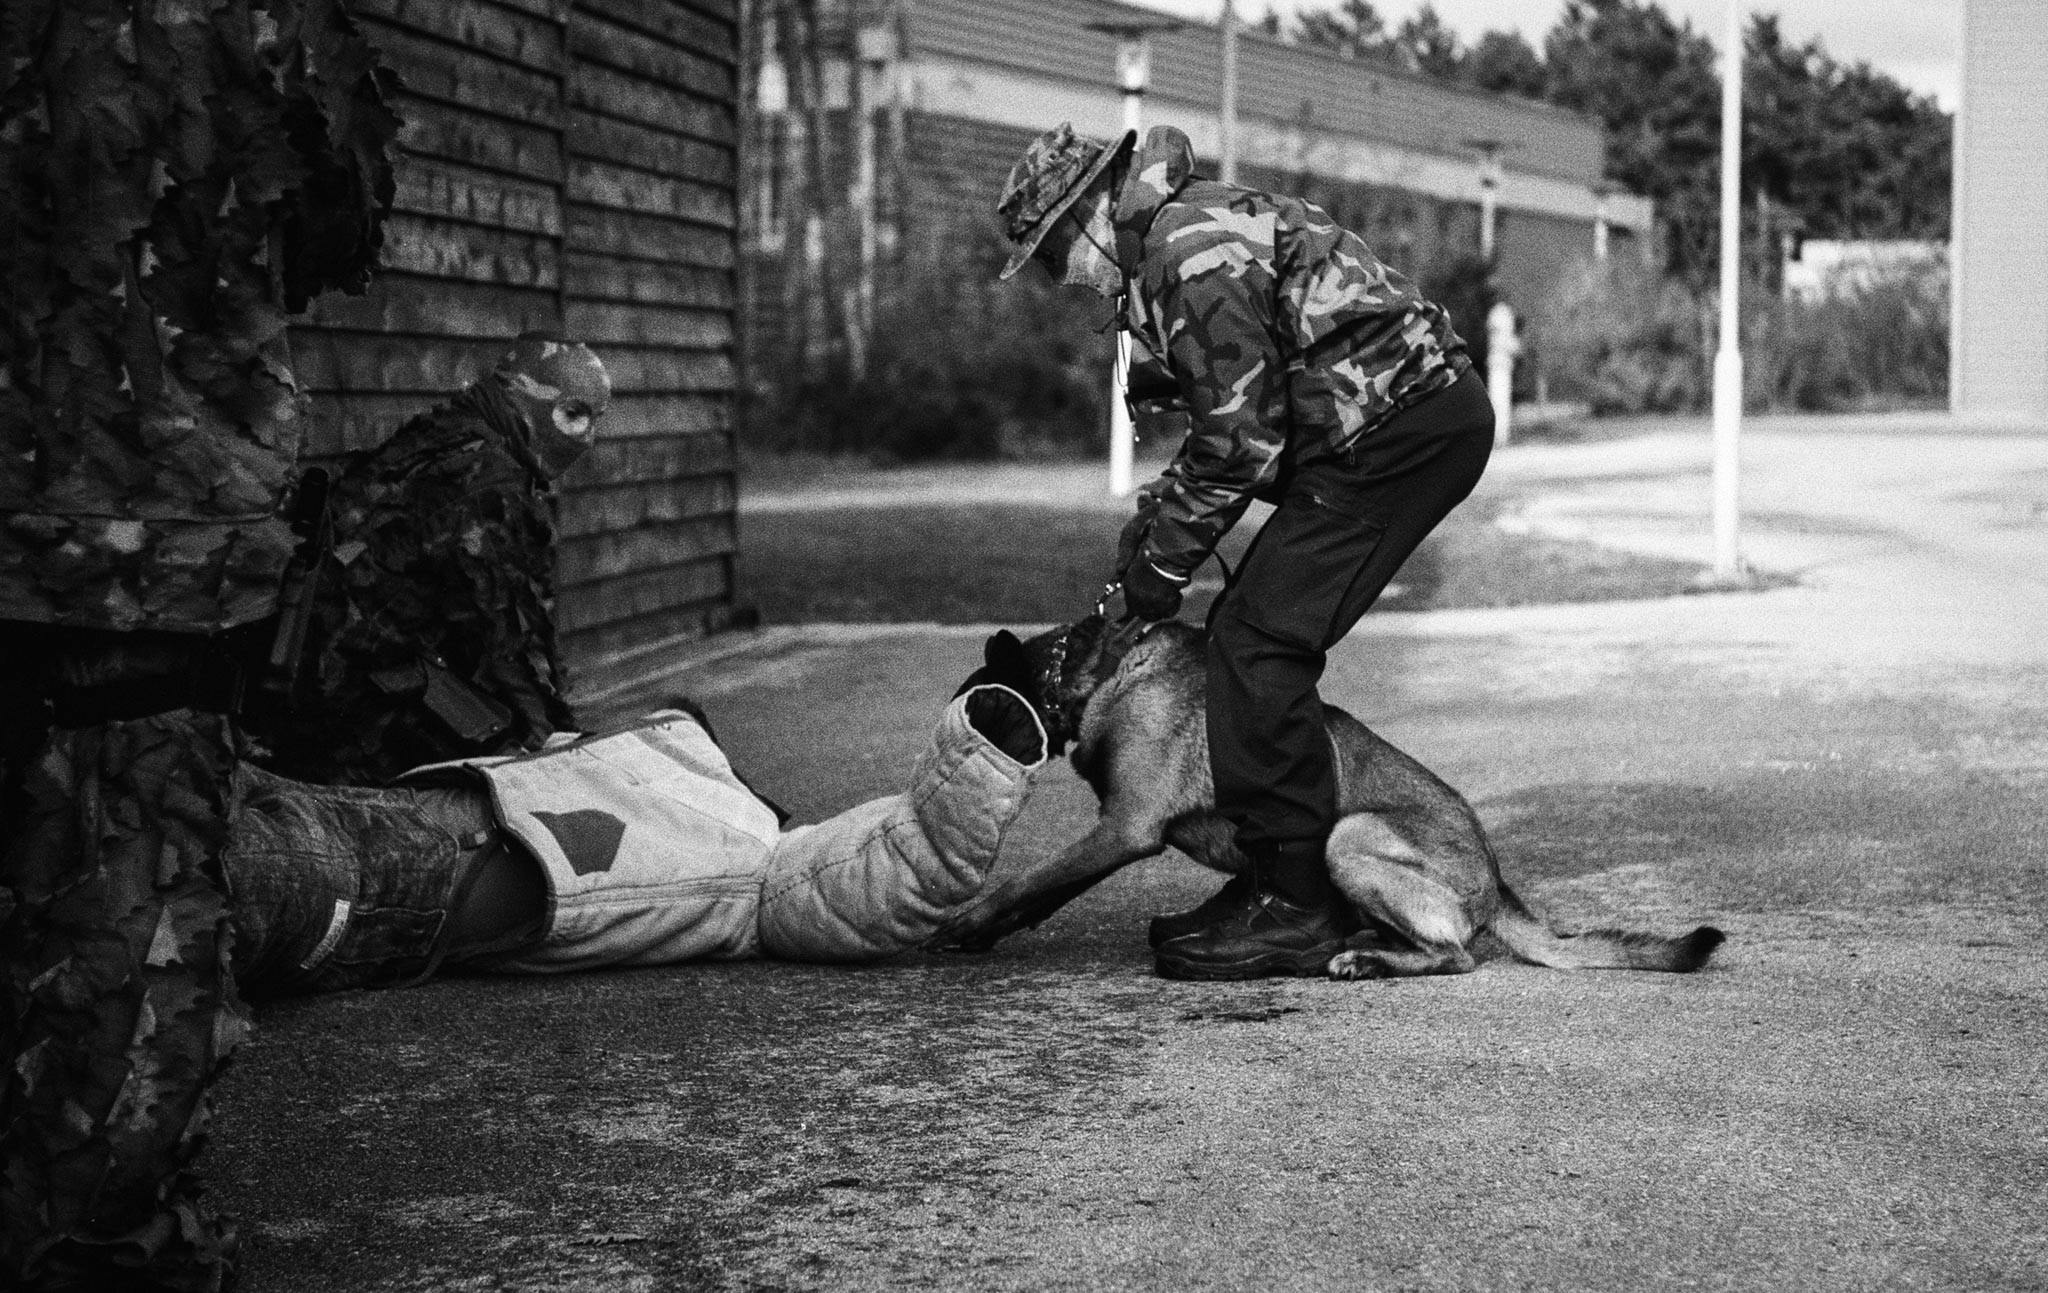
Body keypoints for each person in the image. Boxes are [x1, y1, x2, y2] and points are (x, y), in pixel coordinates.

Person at [996, 122, 1497, 981]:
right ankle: (1275, 877)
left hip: (1399, 433)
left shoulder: (1186, 254)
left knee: (1259, 644)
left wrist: (1155, 576)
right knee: (1246, 634)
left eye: (1050, 257)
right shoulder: (1171, 241)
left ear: (1085, 216)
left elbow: (1238, 444)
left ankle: (1294, 905)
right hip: (1360, 434)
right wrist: (1147, 543)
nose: (1062, 278)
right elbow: (1223, 433)